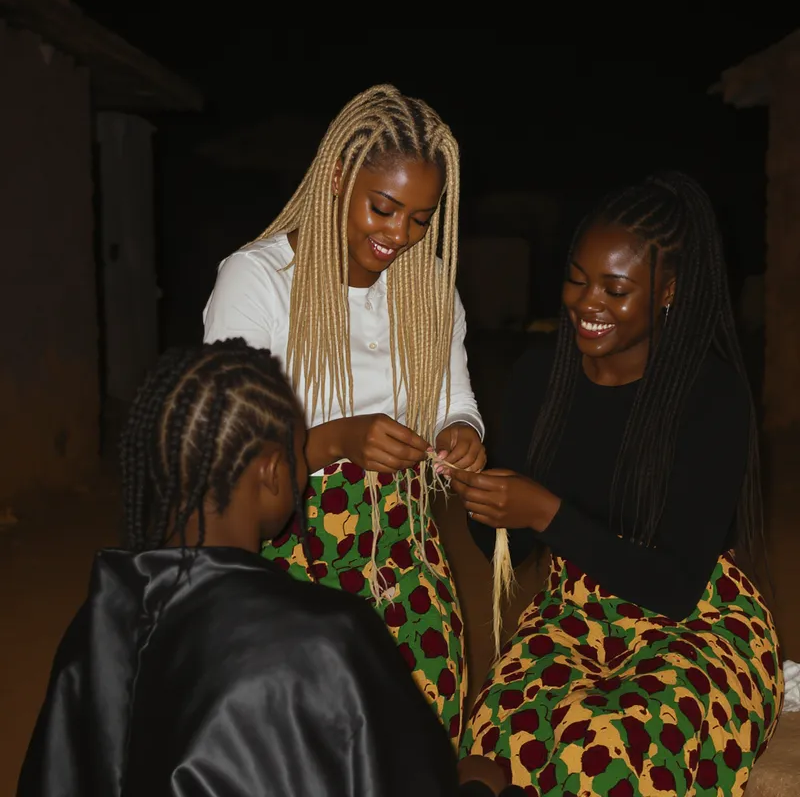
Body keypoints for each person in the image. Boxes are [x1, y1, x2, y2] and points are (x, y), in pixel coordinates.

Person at [18, 339, 518, 797]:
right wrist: (474, 786)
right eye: (300, 453)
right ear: (275, 475)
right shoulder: (328, 635)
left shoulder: (98, 619)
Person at [447, 172, 784, 795]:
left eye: (615, 288)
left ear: (668, 292)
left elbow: (677, 586)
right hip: (572, 611)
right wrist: (485, 497)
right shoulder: (538, 375)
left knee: (610, 745)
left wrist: (547, 513)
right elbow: (512, 551)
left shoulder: (709, 396)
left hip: (699, 619)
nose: (586, 302)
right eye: (577, 278)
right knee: (501, 732)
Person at [202, 84, 486, 741]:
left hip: (403, 555)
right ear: (337, 176)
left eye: (421, 218)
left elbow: (458, 403)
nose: (400, 235)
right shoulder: (257, 281)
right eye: (383, 208)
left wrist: (460, 434)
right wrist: (333, 442)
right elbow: (224, 459)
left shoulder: (430, 289)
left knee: (416, 740)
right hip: (281, 556)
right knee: (303, 748)